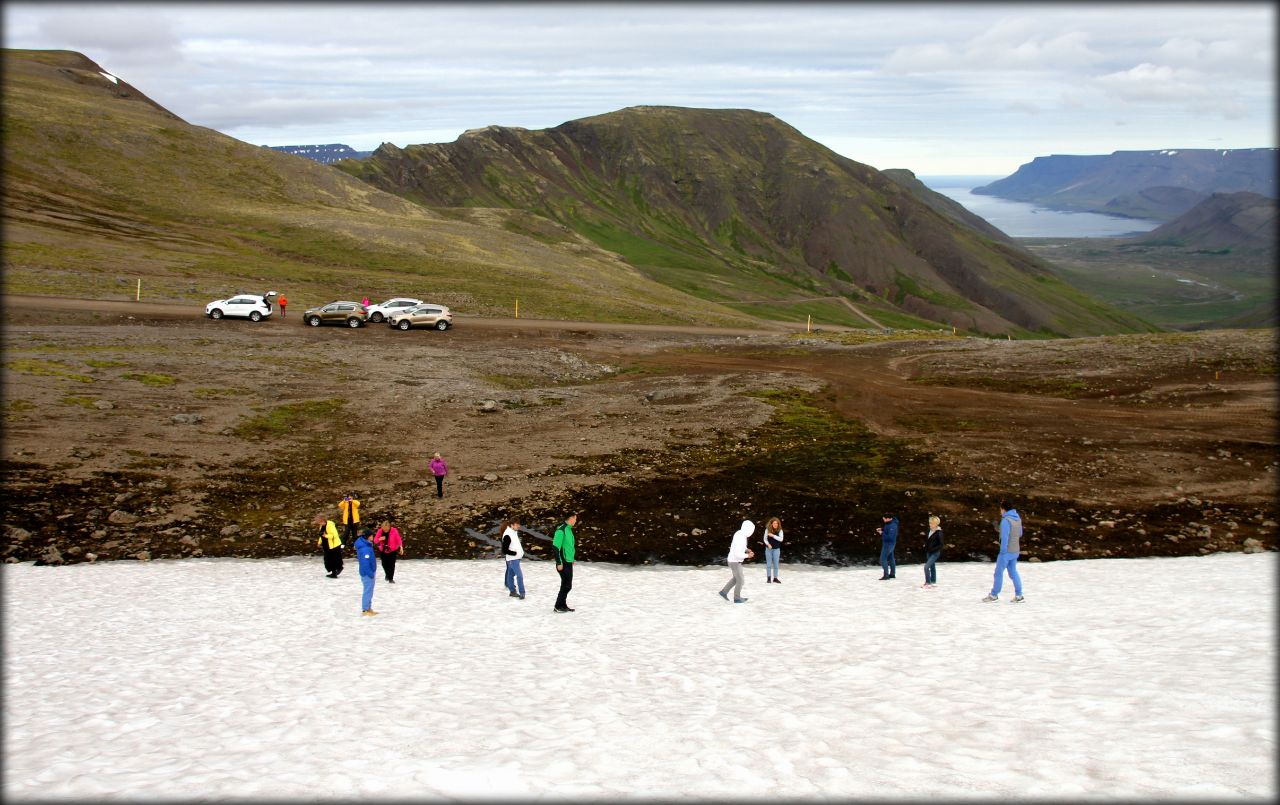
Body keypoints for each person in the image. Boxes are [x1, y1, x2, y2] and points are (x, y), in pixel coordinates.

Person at [984, 501, 1025, 603]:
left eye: (1000, 510)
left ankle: (994, 595)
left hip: (1006, 552)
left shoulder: (1006, 520)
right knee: (1013, 572)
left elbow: (1005, 537)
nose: (1000, 512)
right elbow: (1019, 533)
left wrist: (1003, 551)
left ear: (1003, 509)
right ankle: (1019, 595)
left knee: (998, 573)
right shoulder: (1017, 518)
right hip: (1015, 551)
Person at [719, 520, 756, 603]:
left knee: (736, 579)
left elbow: (739, 547)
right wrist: (748, 555)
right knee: (740, 580)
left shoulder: (739, 533)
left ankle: (723, 592)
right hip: (735, 561)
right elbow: (737, 554)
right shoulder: (741, 538)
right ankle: (737, 598)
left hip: (733, 560)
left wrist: (746, 549)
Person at [552, 513, 578, 612]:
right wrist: (559, 562)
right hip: (562, 562)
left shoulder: (568, 529)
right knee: (567, 585)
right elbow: (555, 547)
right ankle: (558, 606)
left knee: (567, 585)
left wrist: (572, 559)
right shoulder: (561, 530)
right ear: (571, 518)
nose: (576, 521)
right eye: (575, 519)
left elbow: (568, 546)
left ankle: (562, 605)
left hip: (568, 562)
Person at [355, 528, 378, 616]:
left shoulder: (367, 545)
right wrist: (370, 573)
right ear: (368, 537)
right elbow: (365, 563)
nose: (373, 537)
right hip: (367, 573)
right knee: (368, 591)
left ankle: (368, 607)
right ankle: (365, 609)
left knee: (369, 590)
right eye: (372, 536)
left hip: (369, 572)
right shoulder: (365, 548)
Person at [501, 517, 526, 600]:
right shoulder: (507, 535)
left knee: (510, 575)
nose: (519, 526)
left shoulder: (513, 532)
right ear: (512, 525)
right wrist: (514, 553)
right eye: (517, 525)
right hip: (513, 559)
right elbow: (504, 550)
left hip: (515, 559)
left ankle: (512, 591)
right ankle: (522, 593)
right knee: (519, 576)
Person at [373, 518, 403, 583]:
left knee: (391, 564)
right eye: (384, 529)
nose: (385, 530)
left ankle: (391, 578)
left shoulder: (394, 531)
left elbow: (398, 539)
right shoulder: (380, 531)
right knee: (384, 564)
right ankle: (387, 574)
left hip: (392, 550)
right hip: (383, 550)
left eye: (386, 529)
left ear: (389, 527)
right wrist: (380, 539)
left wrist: (401, 547)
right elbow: (375, 541)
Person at [314, 513, 343, 578]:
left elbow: (334, 535)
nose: (318, 522)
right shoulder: (321, 526)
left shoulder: (330, 525)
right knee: (328, 559)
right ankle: (334, 572)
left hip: (334, 545)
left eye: (318, 521)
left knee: (334, 559)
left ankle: (335, 571)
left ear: (322, 520)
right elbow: (321, 535)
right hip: (326, 545)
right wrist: (319, 542)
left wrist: (326, 535)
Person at [922, 515, 943, 588]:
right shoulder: (929, 531)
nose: (930, 524)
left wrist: (933, 549)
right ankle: (933, 581)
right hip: (929, 552)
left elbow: (941, 545)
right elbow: (929, 540)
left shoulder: (939, 533)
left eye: (932, 523)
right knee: (932, 566)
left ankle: (928, 583)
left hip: (935, 553)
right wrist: (925, 545)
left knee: (926, 567)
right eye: (930, 523)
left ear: (936, 524)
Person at [876, 513, 898, 580]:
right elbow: (888, 531)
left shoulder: (892, 526)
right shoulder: (890, 523)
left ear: (888, 518)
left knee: (883, 559)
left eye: (884, 519)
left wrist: (882, 533)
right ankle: (892, 574)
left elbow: (890, 537)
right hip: (890, 544)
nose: (883, 520)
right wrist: (882, 529)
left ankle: (886, 575)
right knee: (891, 558)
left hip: (888, 544)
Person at [762, 516, 784, 583]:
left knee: (776, 564)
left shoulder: (780, 530)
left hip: (776, 549)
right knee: (768, 564)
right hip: (768, 549)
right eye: (774, 523)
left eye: (777, 523)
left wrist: (773, 536)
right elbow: (765, 539)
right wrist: (768, 544)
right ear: (771, 524)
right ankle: (768, 578)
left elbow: (781, 539)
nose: (775, 525)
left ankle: (775, 578)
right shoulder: (767, 530)